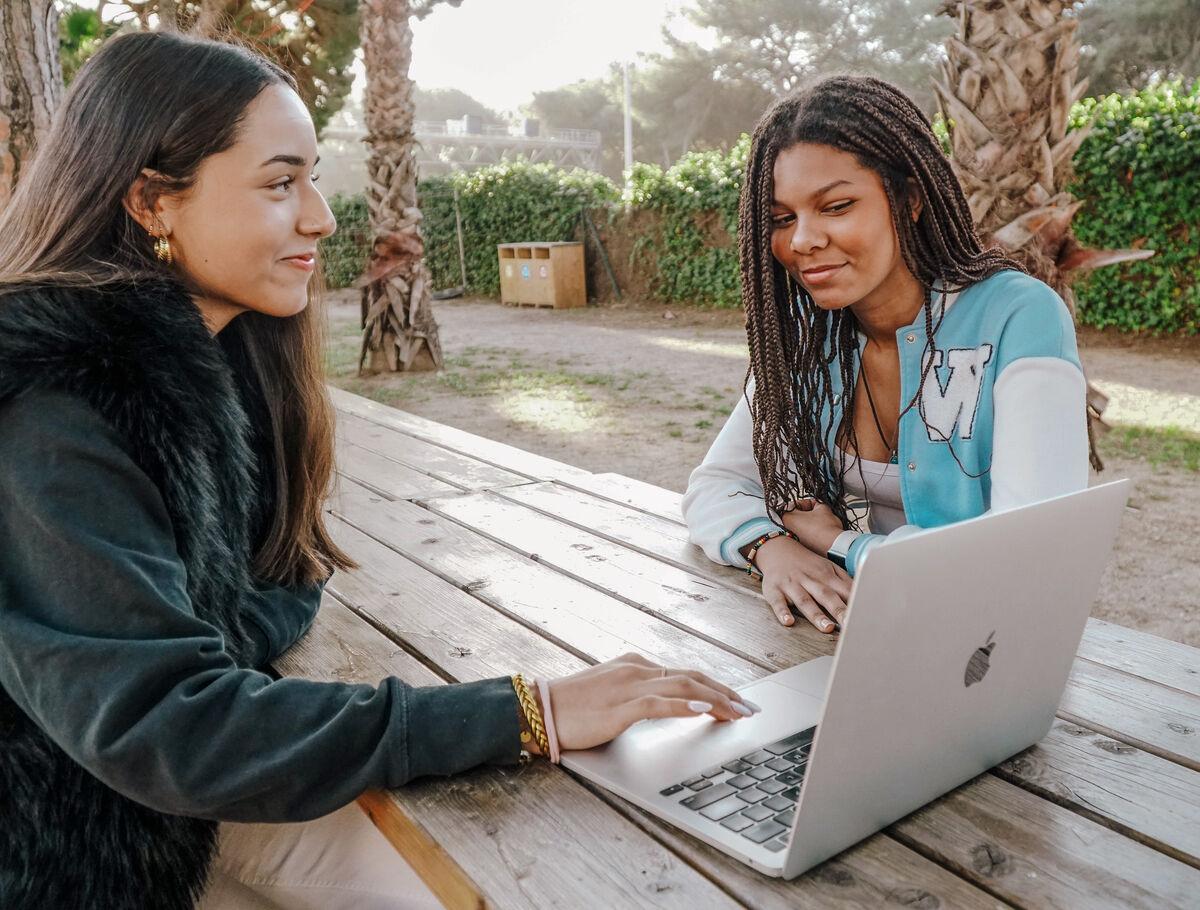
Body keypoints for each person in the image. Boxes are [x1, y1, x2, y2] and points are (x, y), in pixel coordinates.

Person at [0, 32, 757, 910]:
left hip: (177, 805)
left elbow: (281, 579)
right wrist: (530, 710)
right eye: (281, 183)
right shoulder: (56, 407)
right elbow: (169, 727)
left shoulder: (213, 358)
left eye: (313, 176)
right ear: (152, 202)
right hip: (78, 854)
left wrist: (217, 656)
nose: (321, 215)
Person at [683, 76, 1089, 634]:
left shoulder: (1018, 317)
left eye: (837, 206)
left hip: (984, 648)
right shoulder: (808, 340)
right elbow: (714, 486)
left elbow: (1023, 556)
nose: (802, 240)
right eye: (781, 219)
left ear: (911, 197)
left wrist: (835, 542)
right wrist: (770, 545)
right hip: (845, 638)